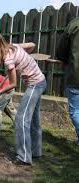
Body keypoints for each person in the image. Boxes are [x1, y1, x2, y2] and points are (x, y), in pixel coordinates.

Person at [0, 31, 47, 166]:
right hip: (40, 81)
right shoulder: (13, 46)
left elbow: (13, 84)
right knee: (34, 120)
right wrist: (23, 58)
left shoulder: (8, 60)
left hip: (35, 84)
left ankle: (24, 157)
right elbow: (32, 45)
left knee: (21, 119)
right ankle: (35, 152)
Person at [56, 17, 79, 146]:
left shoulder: (74, 25)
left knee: (76, 111)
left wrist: (63, 60)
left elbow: (62, 49)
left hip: (76, 76)